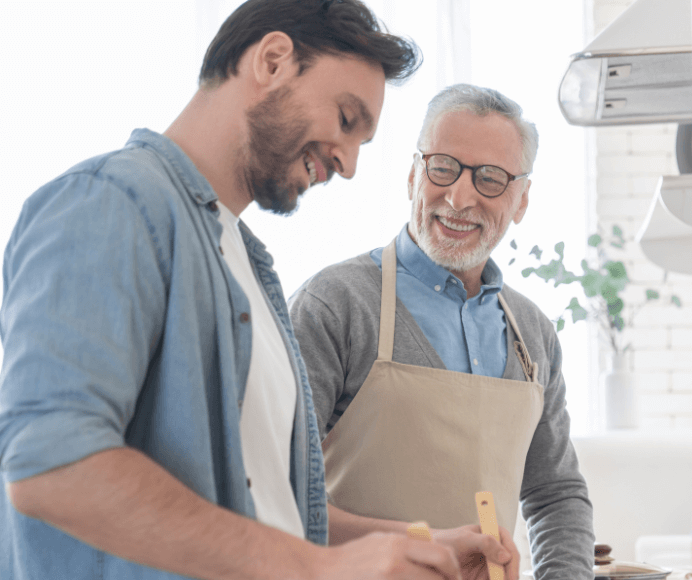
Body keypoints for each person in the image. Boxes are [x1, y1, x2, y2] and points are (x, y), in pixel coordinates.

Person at [0, 1, 468, 578]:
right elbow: (52, 466)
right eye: (347, 119)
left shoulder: (245, 261)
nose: (347, 164)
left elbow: (268, 512)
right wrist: (315, 569)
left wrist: (424, 544)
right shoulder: (110, 202)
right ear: (272, 61)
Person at [288, 83, 596, 579]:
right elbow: (276, 496)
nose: (459, 196)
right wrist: (423, 544)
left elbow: (555, 493)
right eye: (443, 167)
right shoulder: (334, 305)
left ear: (520, 201)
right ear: (413, 175)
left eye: (491, 179)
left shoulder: (533, 333)